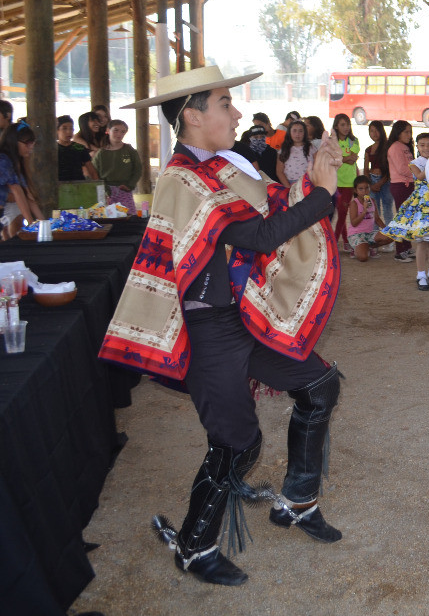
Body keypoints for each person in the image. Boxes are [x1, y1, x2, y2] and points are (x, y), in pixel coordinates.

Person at [101, 66, 343, 586]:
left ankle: (297, 501)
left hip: (241, 318)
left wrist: (311, 178)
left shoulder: (219, 169)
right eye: (225, 103)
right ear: (192, 115)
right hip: (208, 330)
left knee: (319, 386)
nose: (236, 113)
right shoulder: (183, 178)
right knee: (237, 443)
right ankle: (194, 545)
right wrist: (322, 195)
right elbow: (259, 236)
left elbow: (273, 206)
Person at [381, 133, 429, 290]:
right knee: (421, 242)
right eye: (422, 145)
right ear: (417, 147)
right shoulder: (415, 163)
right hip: (421, 205)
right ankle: (421, 274)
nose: (426, 148)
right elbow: (421, 177)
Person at [0, 122, 41, 239]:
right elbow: (17, 191)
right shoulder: (3, 161)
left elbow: (28, 196)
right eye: (27, 143)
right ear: (13, 141)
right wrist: (32, 224)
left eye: (32, 143)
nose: (31, 147)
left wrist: (44, 224)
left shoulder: (15, 162)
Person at [94, 119, 144, 210]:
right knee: (107, 216)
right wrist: (105, 190)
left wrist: (130, 185)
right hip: (106, 190)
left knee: (128, 216)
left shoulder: (129, 150)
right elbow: (94, 174)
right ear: (108, 130)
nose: (119, 134)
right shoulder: (101, 153)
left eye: (123, 132)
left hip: (124, 189)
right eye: (116, 130)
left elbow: (138, 169)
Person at [385, 120, 415, 262]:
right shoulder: (395, 147)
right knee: (402, 218)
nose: (409, 135)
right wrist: (419, 173)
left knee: (407, 218)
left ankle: (407, 247)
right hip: (400, 185)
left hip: (408, 185)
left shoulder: (405, 146)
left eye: (410, 131)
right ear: (398, 132)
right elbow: (402, 169)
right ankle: (399, 251)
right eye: (406, 132)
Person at [330, 115, 360, 252]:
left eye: (347, 124)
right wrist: (344, 158)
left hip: (349, 183)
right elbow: (332, 160)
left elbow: (352, 160)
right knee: (340, 211)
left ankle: (335, 241)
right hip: (334, 182)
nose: (346, 127)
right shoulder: (331, 142)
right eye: (342, 124)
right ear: (336, 126)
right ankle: (346, 241)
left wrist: (341, 158)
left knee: (342, 213)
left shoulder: (354, 140)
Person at [346, 175, 385, 261]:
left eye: (367, 188)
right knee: (363, 258)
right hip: (357, 234)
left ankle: (368, 247)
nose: (364, 191)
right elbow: (354, 223)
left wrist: (387, 230)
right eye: (361, 189)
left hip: (369, 233)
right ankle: (357, 248)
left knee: (389, 236)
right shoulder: (354, 203)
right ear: (355, 190)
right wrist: (364, 211)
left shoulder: (372, 201)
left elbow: (377, 219)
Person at [362, 120, 393, 225]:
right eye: (371, 131)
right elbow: (366, 169)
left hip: (386, 181)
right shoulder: (368, 150)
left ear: (381, 131)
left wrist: (379, 183)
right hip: (372, 181)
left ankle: (389, 237)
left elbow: (389, 169)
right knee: (373, 211)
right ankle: (374, 237)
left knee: (387, 209)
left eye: (376, 130)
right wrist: (370, 184)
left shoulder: (388, 147)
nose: (374, 134)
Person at [56, 113, 97, 181]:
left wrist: (99, 189)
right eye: (64, 128)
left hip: (78, 185)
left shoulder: (79, 148)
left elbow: (92, 171)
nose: (69, 132)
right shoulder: (53, 149)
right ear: (57, 130)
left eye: (71, 128)